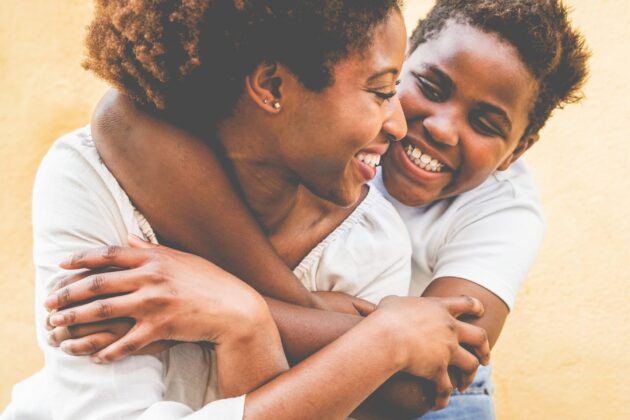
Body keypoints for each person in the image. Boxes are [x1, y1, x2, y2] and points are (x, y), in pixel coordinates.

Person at [46, 0, 590, 418]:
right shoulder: (133, 162)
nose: (434, 125)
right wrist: (363, 329)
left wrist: (245, 310)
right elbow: (122, 120)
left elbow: (436, 364)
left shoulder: (481, 214)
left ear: (517, 151)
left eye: (487, 123)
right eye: (399, 87)